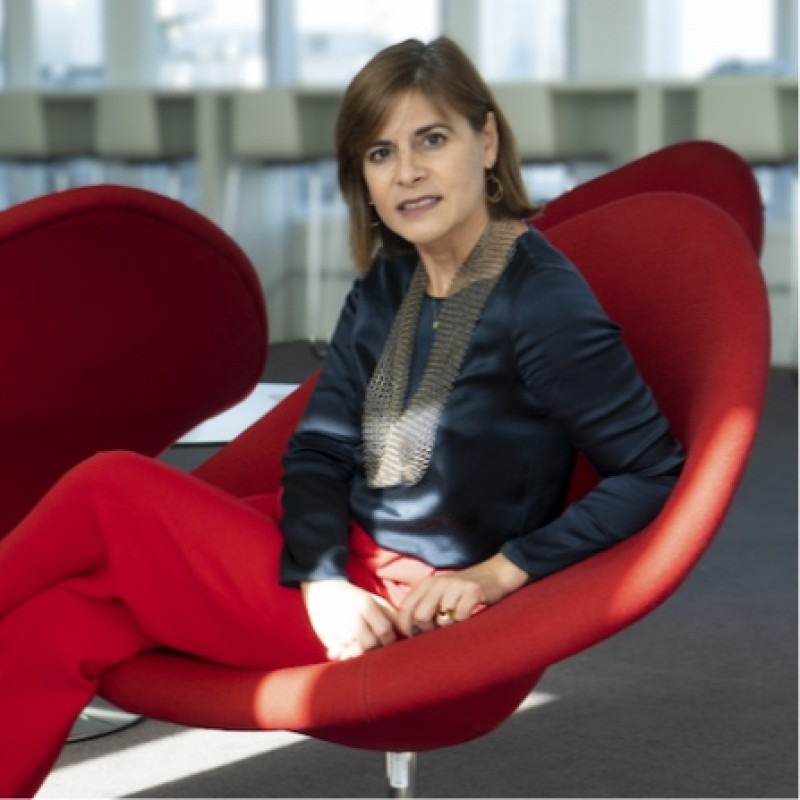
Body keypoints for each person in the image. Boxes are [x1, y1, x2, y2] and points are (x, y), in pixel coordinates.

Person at [0, 36, 684, 796]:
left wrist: (500, 573)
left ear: (486, 140)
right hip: (331, 565)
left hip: (404, 612)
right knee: (63, 622)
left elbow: (653, 471)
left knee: (109, 488)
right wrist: (323, 578)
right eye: (381, 153)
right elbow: (319, 452)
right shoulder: (390, 284)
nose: (407, 172)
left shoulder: (543, 302)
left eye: (432, 139)